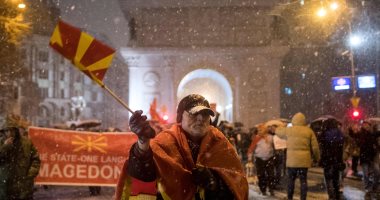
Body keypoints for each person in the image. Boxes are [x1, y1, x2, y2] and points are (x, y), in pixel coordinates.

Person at [116, 94, 248, 200]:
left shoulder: (221, 144)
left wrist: (215, 183)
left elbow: (237, 186)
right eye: (194, 114)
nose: (200, 118)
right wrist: (143, 141)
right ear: (180, 117)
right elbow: (142, 175)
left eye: (206, 114)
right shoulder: (165, 141)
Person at [275, 112, 320, 200]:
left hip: (292, 162)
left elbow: (277, 132)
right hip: (304, 161)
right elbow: (315, 147)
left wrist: (282, 125)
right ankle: (303, 198)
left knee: (291, 181)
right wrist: (317, 158)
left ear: (293, 120)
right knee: (303, 181)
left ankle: (290, 197)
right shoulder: (309, 131)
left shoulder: (289, 130)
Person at [0, 114, 41, 200]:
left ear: (16, 131)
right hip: (5, 187)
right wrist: (5, 147)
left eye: (12, 130)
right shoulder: (1, 143)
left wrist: (30, 175)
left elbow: (35, 160)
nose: (10, 133)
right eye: (7, 131)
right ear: (3, 131)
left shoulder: (26, 143)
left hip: (23, 187)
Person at [318, 118, 345, 200]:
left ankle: (331, 196)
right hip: (337, 159)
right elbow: (341, 147)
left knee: (328, 178)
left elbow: (321, 145)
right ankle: (337, 194)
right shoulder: (339, 134)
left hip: (327, 159)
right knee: (336, 178)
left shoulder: (324, 134)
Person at [247, 124, 275, 196]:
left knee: (270, 175)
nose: (260, 131)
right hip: (259, 159)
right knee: (261, 175)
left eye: (261, 130)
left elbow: (274, 147)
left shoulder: (271, 137)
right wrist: (250, 158)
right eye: (259, 130)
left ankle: (271, 189)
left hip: (269, 158)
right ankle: (263, 189)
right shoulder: (256, 138)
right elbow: (251, 149)